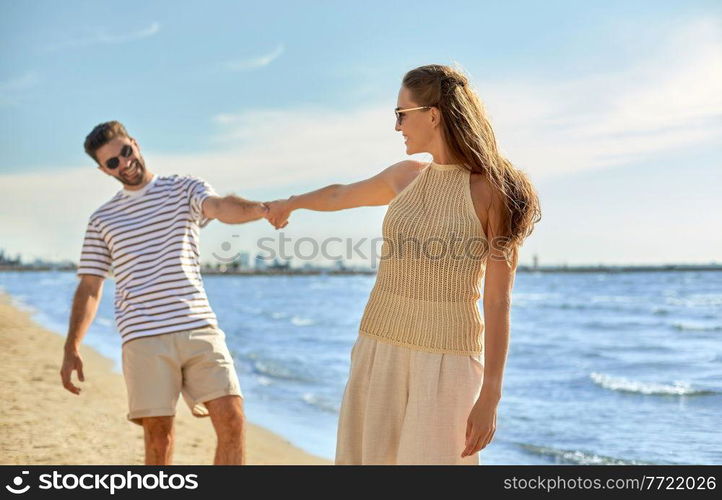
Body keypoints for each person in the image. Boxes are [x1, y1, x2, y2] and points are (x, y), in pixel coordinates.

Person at [265, 64, 541, 465]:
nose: (397, 126)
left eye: (401, 114)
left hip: (448, 360)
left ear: (433, 114)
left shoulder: (493, 192)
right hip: (379, 345)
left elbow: (498, 302)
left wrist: (490, 396)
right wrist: (291, 202)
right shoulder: (407, 176)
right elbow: (341, 194)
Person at [60, 120, 269, 465]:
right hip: (143, 336)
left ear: (135, 144)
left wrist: (261, 209)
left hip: (199, 325)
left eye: (126, 152)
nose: (124, 163)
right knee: (159, 436)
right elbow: (90, 287)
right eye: (113, 162)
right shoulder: (103, 219)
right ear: (103, 169)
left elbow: (219, 207)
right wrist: (72, 346)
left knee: (232, 418)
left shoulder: (184, 189)